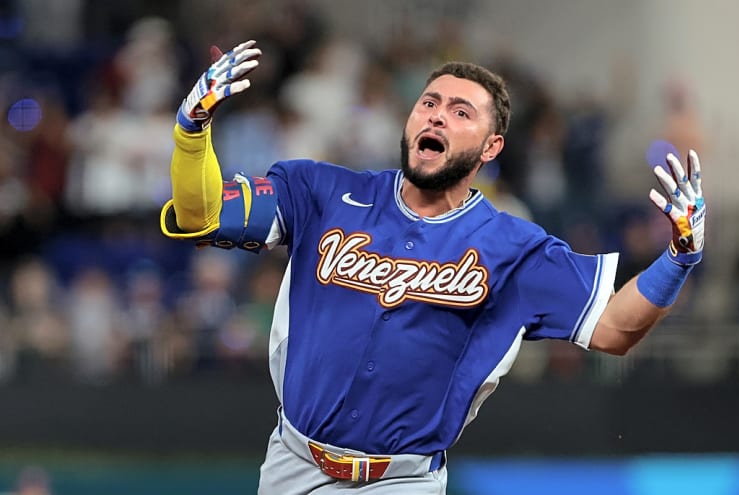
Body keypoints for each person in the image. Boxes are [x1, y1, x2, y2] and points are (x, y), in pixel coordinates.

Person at [160, 40, 706, 494]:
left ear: (491, 147)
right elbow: (200, 213)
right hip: (292, 465)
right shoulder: (322, 191)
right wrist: (191, 131)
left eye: (460, 112)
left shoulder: (512, 246)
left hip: (402, 482)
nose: (438, 114)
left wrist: (678, 258)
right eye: (429, 103)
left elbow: (613, 328)